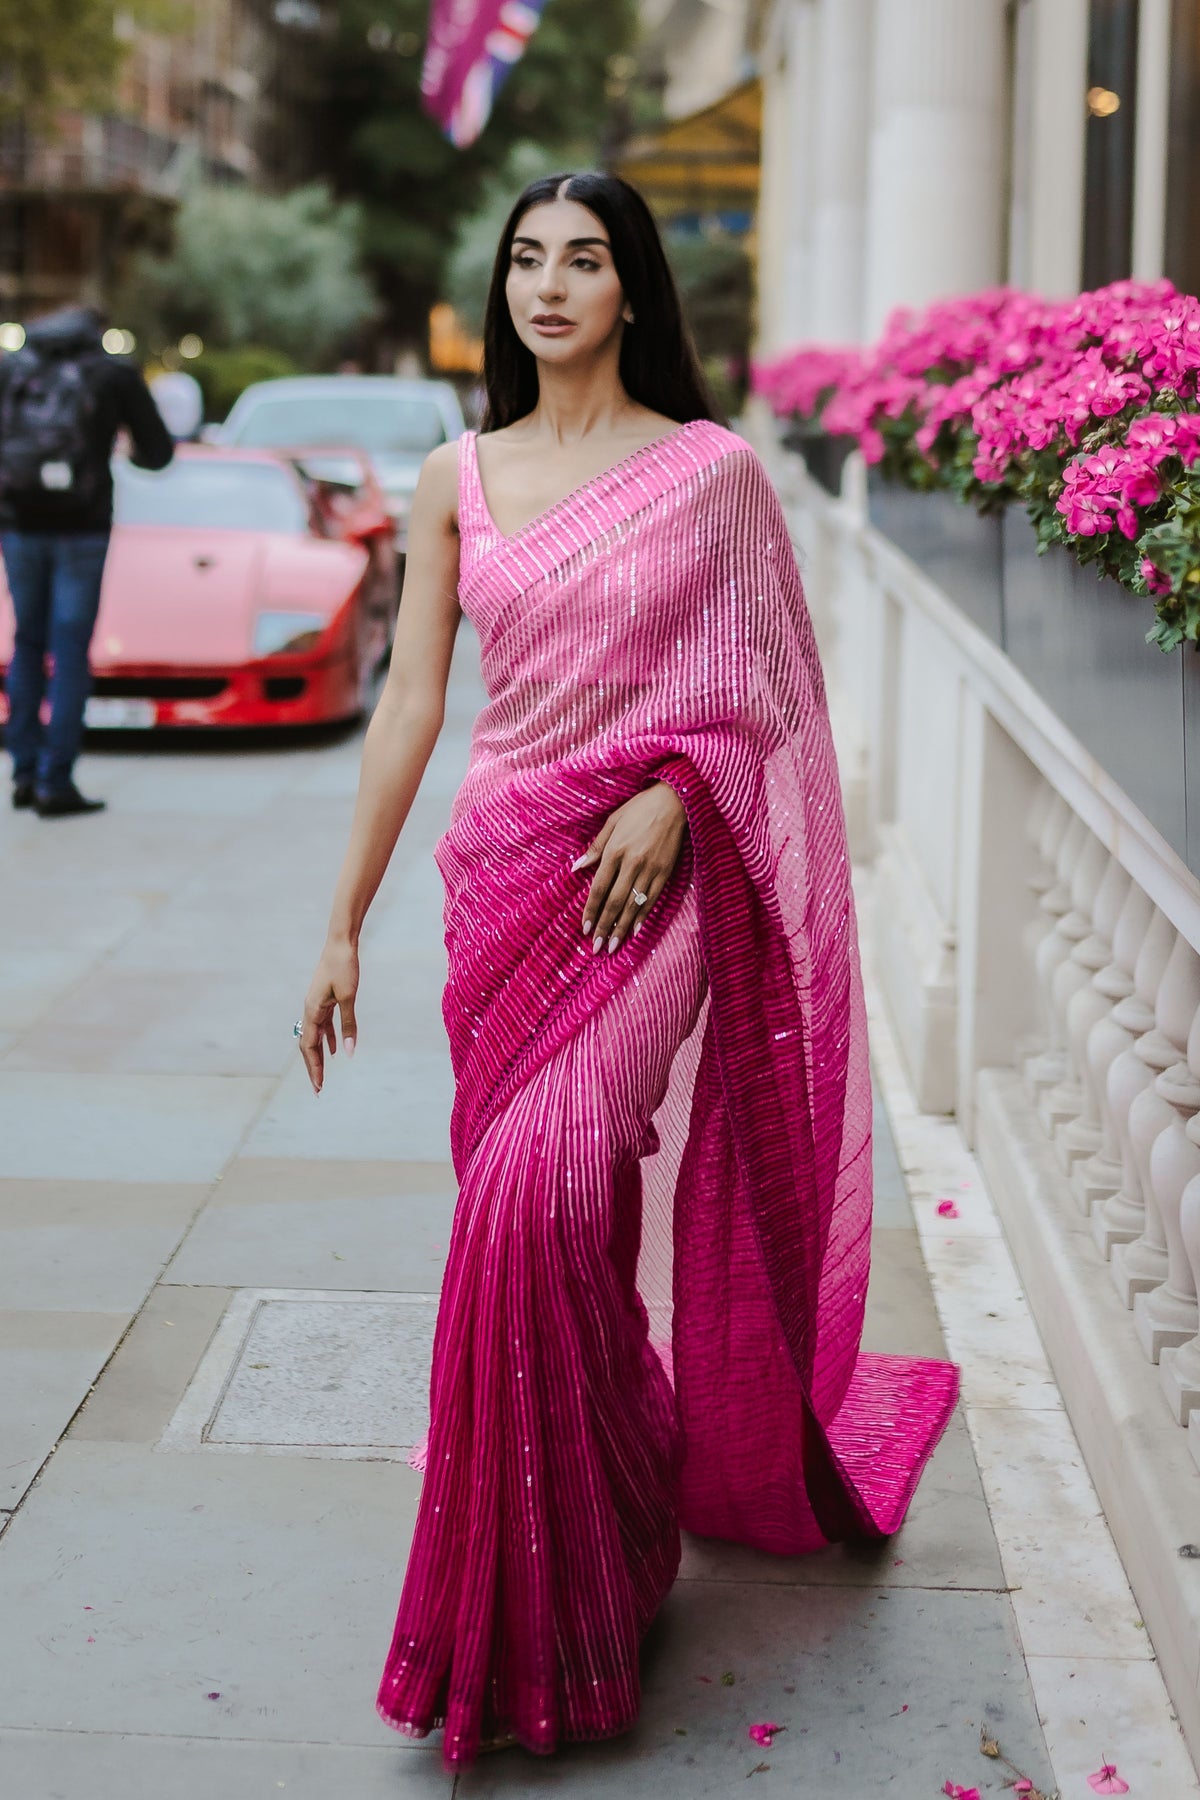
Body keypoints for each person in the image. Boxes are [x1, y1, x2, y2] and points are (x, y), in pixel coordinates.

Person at [297, 171, 960, 1770]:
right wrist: (341, 918)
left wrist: (676, 792)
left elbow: (768, 695)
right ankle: (599, 1519)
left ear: (632, 290)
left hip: (646, 892)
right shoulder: (458, 474)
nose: (549, 284)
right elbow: (410, 707)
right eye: (526, 258)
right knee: (548, 1224)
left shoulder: (712, 474)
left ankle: (563, 1576)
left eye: (582, 259)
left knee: (545, 1189)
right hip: (504, 881)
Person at [0, 305, 174, 816]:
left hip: (19, 523)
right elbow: (158, 453)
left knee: (27, 641)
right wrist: (113, 448)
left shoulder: (12, 366)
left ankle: (24, 771)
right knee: (70, 649)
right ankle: (58, 781)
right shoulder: (111, 372)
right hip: (84, 527)